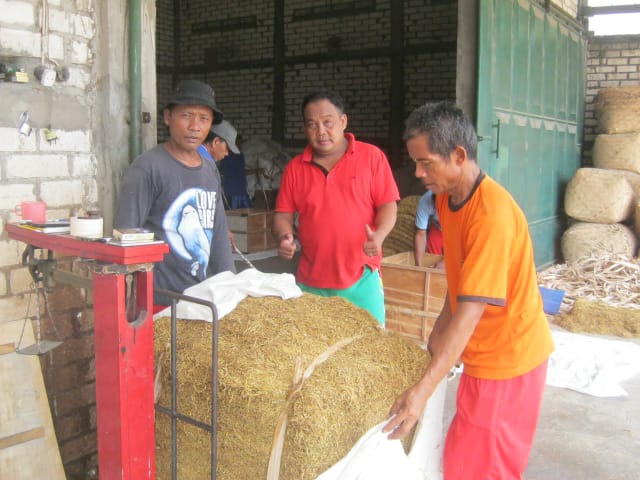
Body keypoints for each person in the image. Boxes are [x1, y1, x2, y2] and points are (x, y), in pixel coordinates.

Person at [383, 101, 554, 480]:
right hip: (482, 358)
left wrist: (423, 390)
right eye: (415, 162)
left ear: (458, 155)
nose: (417, 173)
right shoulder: (446, 199)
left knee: (482, 469)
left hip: (508, 361)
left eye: (426, 163)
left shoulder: (491, 215)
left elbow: (471, 310)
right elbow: (458, 284)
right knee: (462, 461)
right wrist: (435, 339)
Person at [273, 90, 399, 325]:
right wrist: (284, 236)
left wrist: (379, 236)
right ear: (304, 129)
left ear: (343, 122)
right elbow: (283, 214)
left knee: (370, 350)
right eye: (312, 125)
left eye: (327, 122)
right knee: (312, 353)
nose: (321, 132)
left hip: (361, 279)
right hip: (311, 283)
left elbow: (388, 206)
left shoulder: (372, 157)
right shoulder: (295, 168)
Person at [114, 79, 235, 309]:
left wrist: (231, 290)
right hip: (158, 301)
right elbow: (126, 236)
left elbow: (218, 233)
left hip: (199, 299)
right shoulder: (147, 168)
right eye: (186, 115)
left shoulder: (209, 169)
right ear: (168, 117)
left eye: (204, 119)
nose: (195, 127)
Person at [413, 189, 443, 266]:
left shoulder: (462, 202)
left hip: (458, 232)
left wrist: (445, 263)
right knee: (432, 257)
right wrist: (419, 267)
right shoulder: (425, 201)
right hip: (437, 228)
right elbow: (420, 234)